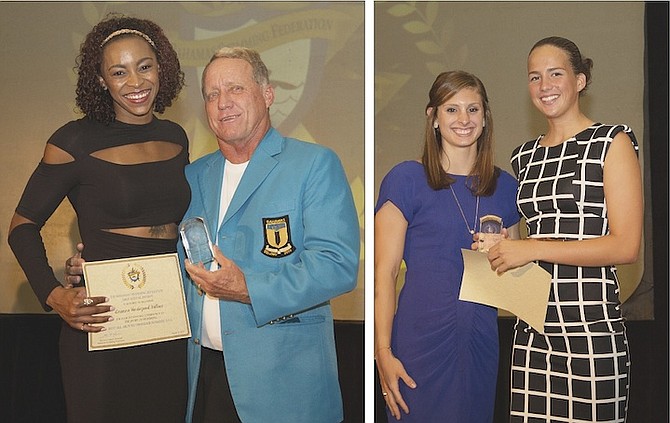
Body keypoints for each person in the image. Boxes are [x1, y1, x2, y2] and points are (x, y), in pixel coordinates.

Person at [7, 15, 189, 422]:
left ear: (162, 68)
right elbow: (21, 228)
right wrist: (54, 295)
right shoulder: (73, 140)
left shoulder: (177, 136)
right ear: (102, 80)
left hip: (166, 318)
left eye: (144, 66)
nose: (136, 82)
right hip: (102, 318)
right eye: (119, 72)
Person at [179, 47, 359, 422]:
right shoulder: (193, 176)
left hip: (287, 387)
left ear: (267, 94)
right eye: (212, 95)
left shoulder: (314, 164)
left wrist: (248, 288)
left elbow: (336, 266)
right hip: (207, 381)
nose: (223, 103)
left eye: (235, 89)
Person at [486, 36, 642, 422]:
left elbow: (625, 246)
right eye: (534, 77)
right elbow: (533, 241)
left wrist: (533, 247)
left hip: (591, 330)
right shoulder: (523, 155)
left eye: (555, 74)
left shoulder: (611, 141)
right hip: (533, 330)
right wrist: (507, 247)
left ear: (581, 80)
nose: (544, 86)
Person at [374, 70, 520, 422]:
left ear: (485, 118)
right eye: (452, 110)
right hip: (417, 344)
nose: (464, 119)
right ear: (433, 117)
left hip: (480, 341)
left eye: (473, 109)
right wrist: (382, 352)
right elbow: (384, 273)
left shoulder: (505, 187)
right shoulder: (406, 178)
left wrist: (505, 254)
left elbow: (514, 282)